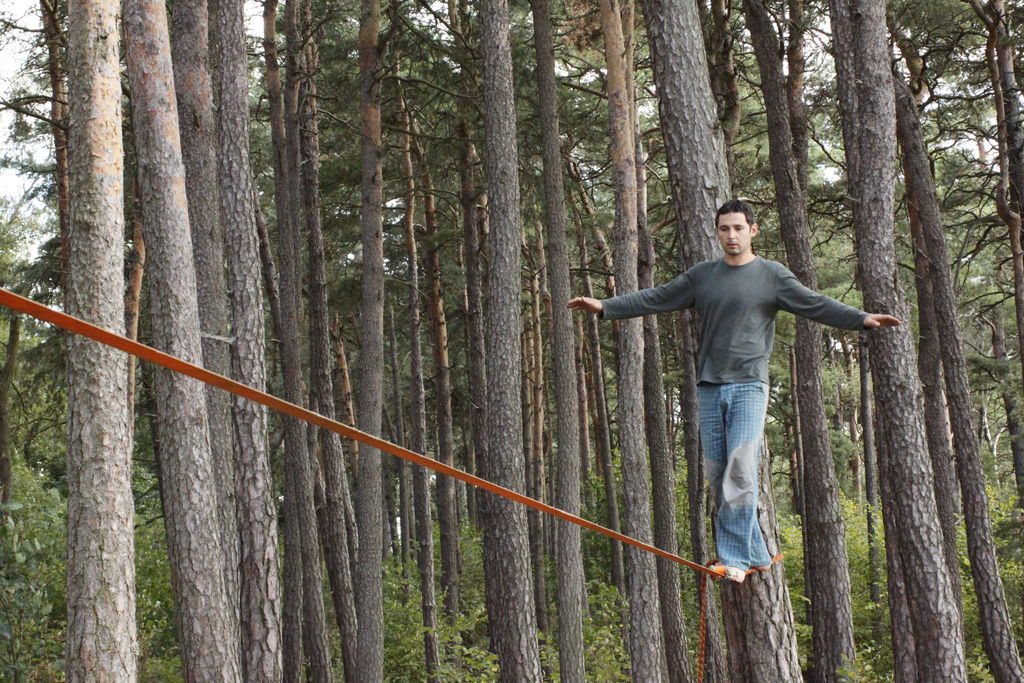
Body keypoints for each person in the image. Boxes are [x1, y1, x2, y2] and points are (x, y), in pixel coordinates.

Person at [567, 199, 900, 583]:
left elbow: (815, 304)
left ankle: (735, 560)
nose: (731, 235)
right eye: (724, 229)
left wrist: (860, 318)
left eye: (738, 228)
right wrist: (605, 306)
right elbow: (655, 297)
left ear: (753, 231)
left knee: (741, 469)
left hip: (749, 387)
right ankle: (757, 555)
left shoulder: (772, 276)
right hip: (709, 386)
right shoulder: (702, 276)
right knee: (719, 474)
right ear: (717, 232)